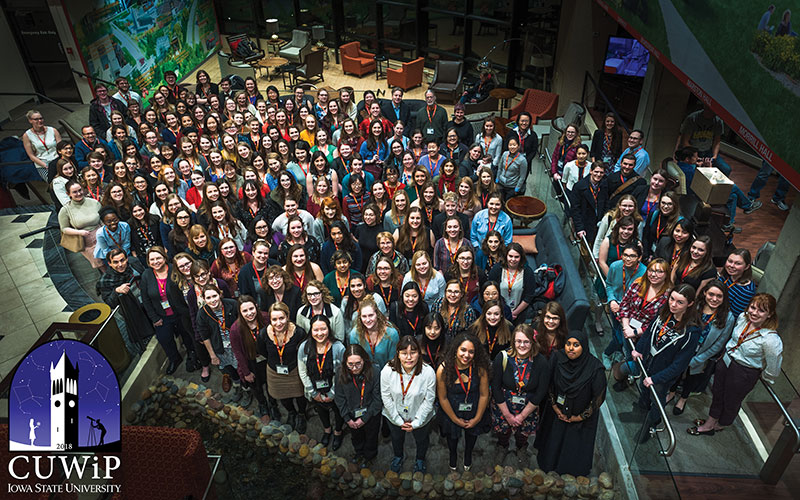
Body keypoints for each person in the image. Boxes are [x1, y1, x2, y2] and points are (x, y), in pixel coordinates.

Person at [690, 293, 783, 435]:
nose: (754, 313)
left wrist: (766, 376)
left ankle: (720, 424)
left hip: (744, 372)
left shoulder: (771, 340)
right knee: (717, 392)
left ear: (769, 314)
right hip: (726, 361)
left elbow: (774, 365)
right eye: (752, 307)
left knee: (731, 400)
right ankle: (710, 421)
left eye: (761, 310)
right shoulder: (742, 318)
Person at [630, 284, 701, 442]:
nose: (673, 304)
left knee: (657, 398)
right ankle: (643, 409)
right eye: (672, 299)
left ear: (689, 304)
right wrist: (639, 349)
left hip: (663, 374)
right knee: (644, 389)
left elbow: (679, 365)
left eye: (679, 302)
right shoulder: (664, 312)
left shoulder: (691, 332)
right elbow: (649, 333)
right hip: (648, 363)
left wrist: (657, 379)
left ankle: (652, 423)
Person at [536, 330, 606, 477]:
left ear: (584, 347)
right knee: (552, 444)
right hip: (557, 413)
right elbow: (549, 384)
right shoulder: (557, 357)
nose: (571, 348)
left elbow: (598, 398)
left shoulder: (595, 368)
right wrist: (555, 407)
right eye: (568, 344)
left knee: (572, 450)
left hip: (580, 420)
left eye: (576, 345)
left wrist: (579, 417)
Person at [668, 281, 734, 415]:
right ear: (704, 293)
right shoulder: (695, 307)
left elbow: (719, 344)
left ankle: (683, 398)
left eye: (719, 296)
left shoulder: (728, 317)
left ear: (724, 298)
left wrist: (699, 359)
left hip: (701, 354)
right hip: (684, 348)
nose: (714, 299)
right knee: (677, 372)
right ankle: (672, 392)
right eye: (711, 294)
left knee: (691, 377)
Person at [491, 324, 550, 462]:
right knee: (502, 431)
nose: (522, 345)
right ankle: (503, 446)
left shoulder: (541, 362)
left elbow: (541, 392)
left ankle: (521, 447)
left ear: (532, 342)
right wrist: (508, 415)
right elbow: (495, 387)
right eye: (518, 341)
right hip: (504, 405)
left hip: (528, 407)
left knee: (523, 434)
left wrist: (522, 416)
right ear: (513, 341)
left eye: (526, 341)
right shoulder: (502, 358)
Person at [612, 258, 672, 389]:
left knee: (638, 365)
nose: (654, 274)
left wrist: (636, 332)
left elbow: (658, 323)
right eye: (651, 270)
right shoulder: (638, 283)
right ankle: (625, 376)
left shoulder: (668, 296)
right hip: (627, 328)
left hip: (646, 338)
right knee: (628, 354)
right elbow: (625, 304)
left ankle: (624, 371)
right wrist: (627, 327)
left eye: (659, 271)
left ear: (667, 274)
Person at [381, 335, 438, 473]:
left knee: (422, 439)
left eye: (413, 352)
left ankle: (420, 459)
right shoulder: (388, 370)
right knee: (397, 438)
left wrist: (417, 422)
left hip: (421, 418)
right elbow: (386, 397)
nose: (409, 358)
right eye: (404, 353)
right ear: (398, 354)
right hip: (394, 416)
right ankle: (398, 456)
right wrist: (397, 420)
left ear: (419, 353)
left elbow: (429, 400)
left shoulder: (428, 372)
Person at [436, 332, 491, 471]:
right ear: (456, 349)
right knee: (452, 439)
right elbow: (442, 397)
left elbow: (484, 394)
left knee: (472, 436)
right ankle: (452, 455)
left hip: (474, 408)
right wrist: (455, 419)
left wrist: (477, 418)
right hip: (451, 410)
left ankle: (468, 454)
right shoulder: (443, 369)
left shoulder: (480, 368)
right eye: (463, 350)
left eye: (471, 352)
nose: (466, 355)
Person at [140, 246, 193, 374]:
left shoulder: (174, 270)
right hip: (161, 316)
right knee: (164, 338)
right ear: (148, 261)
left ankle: (192, 354)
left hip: (180, 312)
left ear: (164, 257)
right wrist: (154, 318)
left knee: (187, 335)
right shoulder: (146, 275)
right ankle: (174, 359)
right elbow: (145, 299)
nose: (155, 261)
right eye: (152, 259)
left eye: (158, 258)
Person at [257, 302, 308, 431]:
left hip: (294, 371)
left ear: (288, 317)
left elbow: (304, 352)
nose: (278, 323)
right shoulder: (263, 334)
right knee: (282, 396)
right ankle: (291, 412)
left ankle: (301, 414)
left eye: (281, 318)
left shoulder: (299, 333)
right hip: (275, 372)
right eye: (274, 319)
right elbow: (262, 351)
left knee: (300, 396)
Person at [298, 315, 346, 450]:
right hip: (315, 390)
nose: (320, 333)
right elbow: (302, 371)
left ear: (329, 329)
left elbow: (342, 373)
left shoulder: (338, 348)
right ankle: (327, 430)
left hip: (335, 389)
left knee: (338, 411)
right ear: (311, 330)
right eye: (316, 330)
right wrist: (313, 393)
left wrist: (332, 393)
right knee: (320, 409)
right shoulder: (304, 347)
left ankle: (338, 431)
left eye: (323, 329)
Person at [196, 284, 247, 404]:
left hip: (237, 346)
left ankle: (247, 389)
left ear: (220, 294)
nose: (212, 300)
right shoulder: (202, 314)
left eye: (215, 296)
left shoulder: (232, 305)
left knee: (242, 368)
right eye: (208, 298)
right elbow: (205, 337)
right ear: (204, 299)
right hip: (220, 349)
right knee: (230, 369)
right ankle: (237, 387)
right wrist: (212, 355)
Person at [335, 344, 383, 467]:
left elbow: (377, 399)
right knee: (356, 436)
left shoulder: (375, 371)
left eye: (358, 363)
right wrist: (347, 419)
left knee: (371, 436)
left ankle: (369, 456)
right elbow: (339, 397)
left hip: (371, 414)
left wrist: (364, 418)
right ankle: (359, 452)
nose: (354, 368)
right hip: (351, 414)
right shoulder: (340, 372)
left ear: (364, 360)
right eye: (350, 364)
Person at [97, 249, 154, 354]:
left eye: (122, 260)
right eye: (115, 262)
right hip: (133, 309)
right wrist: (116, 291)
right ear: (109, 263)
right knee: (143, 331)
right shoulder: (106, 280)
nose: (120, 264)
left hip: (147, 300)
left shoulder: (133, 263)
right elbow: (110, 303)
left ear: (127, 259)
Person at [58, 180, 103, 268]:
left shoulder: (94, 202)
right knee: (100, 264)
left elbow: (102, 220)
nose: (78, 193)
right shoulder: (65, 210)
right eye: (74, 192)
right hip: (87, 243)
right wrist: (79, 232)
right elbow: (64, 229)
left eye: (80, 190)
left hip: (102, 237)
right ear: (68, 194)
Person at [348, 296, 400, 371]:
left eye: (371, 315)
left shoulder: (391, 334)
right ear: (360, 318)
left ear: (377, 314)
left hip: (386, 373)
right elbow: (355, 360)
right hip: (364, 374)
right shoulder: (355, 334)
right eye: (364, 316)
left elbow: (394, 362)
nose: (368, 320)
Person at [676, 105, 730, 177]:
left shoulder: (718, 121)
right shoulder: (692, 118)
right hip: (693, 152)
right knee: (692, 171)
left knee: (726, 169)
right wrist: (696, 157)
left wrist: (714, 157)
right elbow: (685, 142)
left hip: (708, 151)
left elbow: (717, 142)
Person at [488, 243, 535, 324]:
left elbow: (529, 296)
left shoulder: (528, 272)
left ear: (521, 257)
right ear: (506, 256)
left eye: (516, 257)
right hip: (497, 312)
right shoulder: (497, 269)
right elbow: (490, 290)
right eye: (510, 256)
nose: (513, 259)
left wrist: (514, 313)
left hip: (519, 312)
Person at [569, 162, 608, 246]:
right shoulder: (579, 186)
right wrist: (579, 228)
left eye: (601, 172)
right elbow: (575, 209)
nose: (598, 174)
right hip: (585, 223)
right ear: (591, 171)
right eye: (596, 172)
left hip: (599, 223)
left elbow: (606, 204)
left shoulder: (605, 185)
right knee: (586, 251)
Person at [717, 249, 757, 317]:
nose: (732, 266)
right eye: (730, 261)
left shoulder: (747, 290)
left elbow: (733, 316)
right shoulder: (726, 275)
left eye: (738, 263)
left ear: (746, 267)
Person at [22, 110, 61, 179]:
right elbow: (31, 155)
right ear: (30, 121)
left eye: (41, 118)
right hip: (42, 163)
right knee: (53, 181)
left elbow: (61, 147)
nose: (40, 121)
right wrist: (45, 165)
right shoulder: (27, 135)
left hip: (57, 159)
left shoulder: (53, 130)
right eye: (36, 119)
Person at [641, 191, 681, 259]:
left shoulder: (679, 221)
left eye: (669, 204)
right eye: (663, 203)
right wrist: (646, 255)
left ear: (675, 205)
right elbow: (646, 236)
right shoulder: (654, 215)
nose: (665, 206)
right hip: (649, 253)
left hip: (665, 257)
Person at [496, 137, 528, 201]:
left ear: (518, 146)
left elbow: (522, 176)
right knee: (500, 202)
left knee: (508, 204)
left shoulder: (522, 160)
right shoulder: (505, 154)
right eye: (510, 145)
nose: (512, 147)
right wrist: (497, 179)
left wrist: (517, 189)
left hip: (512, 187)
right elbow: (500, 168)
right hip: (501, 184)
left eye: (514, 145)